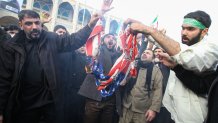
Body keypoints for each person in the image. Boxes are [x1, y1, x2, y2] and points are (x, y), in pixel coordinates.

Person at [0, 9, 99, 123]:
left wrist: (90, 25)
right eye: (29, 23)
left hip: (49, 104)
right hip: (23, 106)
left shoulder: (50, 38)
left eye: (37, 23)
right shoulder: (11, 46)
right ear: (21, 25)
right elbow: (4, 80)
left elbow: (72, 41)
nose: (34, 27)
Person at [129, 10, 218, 123]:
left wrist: (149, 30)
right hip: (173, 113)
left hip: (192, 118)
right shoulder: (183, 48)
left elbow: (186, 56)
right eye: (183, 28)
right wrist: (142, 27)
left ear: (204, 31)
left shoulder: (210, 49)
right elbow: (163, 44)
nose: (184, 32)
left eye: (190, 29)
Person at [78, 33, 121, 123]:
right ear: (102, 41)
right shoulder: (96, 51)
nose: (111, 39)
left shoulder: (119, 56)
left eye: (113, 38)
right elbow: (88, 69)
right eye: (108, 37)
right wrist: (92, 59)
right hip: (94, 97)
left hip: (110, 99)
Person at [53, 24, 87, 123]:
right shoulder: (49, 48)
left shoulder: (74, 53)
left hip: (71, 90)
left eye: (64, 32)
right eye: (60, 32)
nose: (62, 34)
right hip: (55, 89)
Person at [119, 49, 163, 123]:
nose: (145, 53)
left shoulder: (156, 71)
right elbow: (123, 81)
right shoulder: (133, 66)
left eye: (148, 53)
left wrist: (153, 109)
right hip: (127, 107)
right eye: (144, 52)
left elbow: (158, 90)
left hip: (142, 112)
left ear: (152, 58)